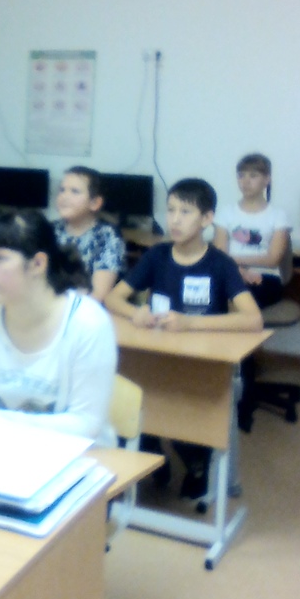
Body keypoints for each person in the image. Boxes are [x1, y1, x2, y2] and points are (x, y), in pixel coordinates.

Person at [105, 177, 263, 498]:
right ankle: (150, 455)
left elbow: (253, 318)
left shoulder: (220, 263)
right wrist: (135, 312)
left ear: (207, 219)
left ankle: (196, 463)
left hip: (200, 362)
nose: (175, 220)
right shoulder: (157, 255)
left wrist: (191, 323)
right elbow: (113, 298)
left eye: (186, 212)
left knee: (189, 416)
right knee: (135, 399)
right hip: (154, 355)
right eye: (171, 210)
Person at [0, 209, 118, 445]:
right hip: (1, 447)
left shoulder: (89, 323)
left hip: (78, 454)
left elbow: (85, 424)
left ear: (38, 264)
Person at [212, 153, 290, 309]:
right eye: (241, 176)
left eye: (253, 176)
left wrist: (233, 260)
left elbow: (272, 260)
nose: (245, 182)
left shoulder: (278, 216)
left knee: (243, 298)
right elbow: (219, 255)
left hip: (265, 277)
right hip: (230, 273)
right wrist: (240, 271)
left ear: (267, 180)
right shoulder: (225, 213)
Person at [53, 166, 126, 301]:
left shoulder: (106, 236)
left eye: (75, 191)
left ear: (95, 203)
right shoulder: (50, 230)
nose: (64, 196)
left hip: (86, 308)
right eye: (62, 190)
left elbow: (98, 295)